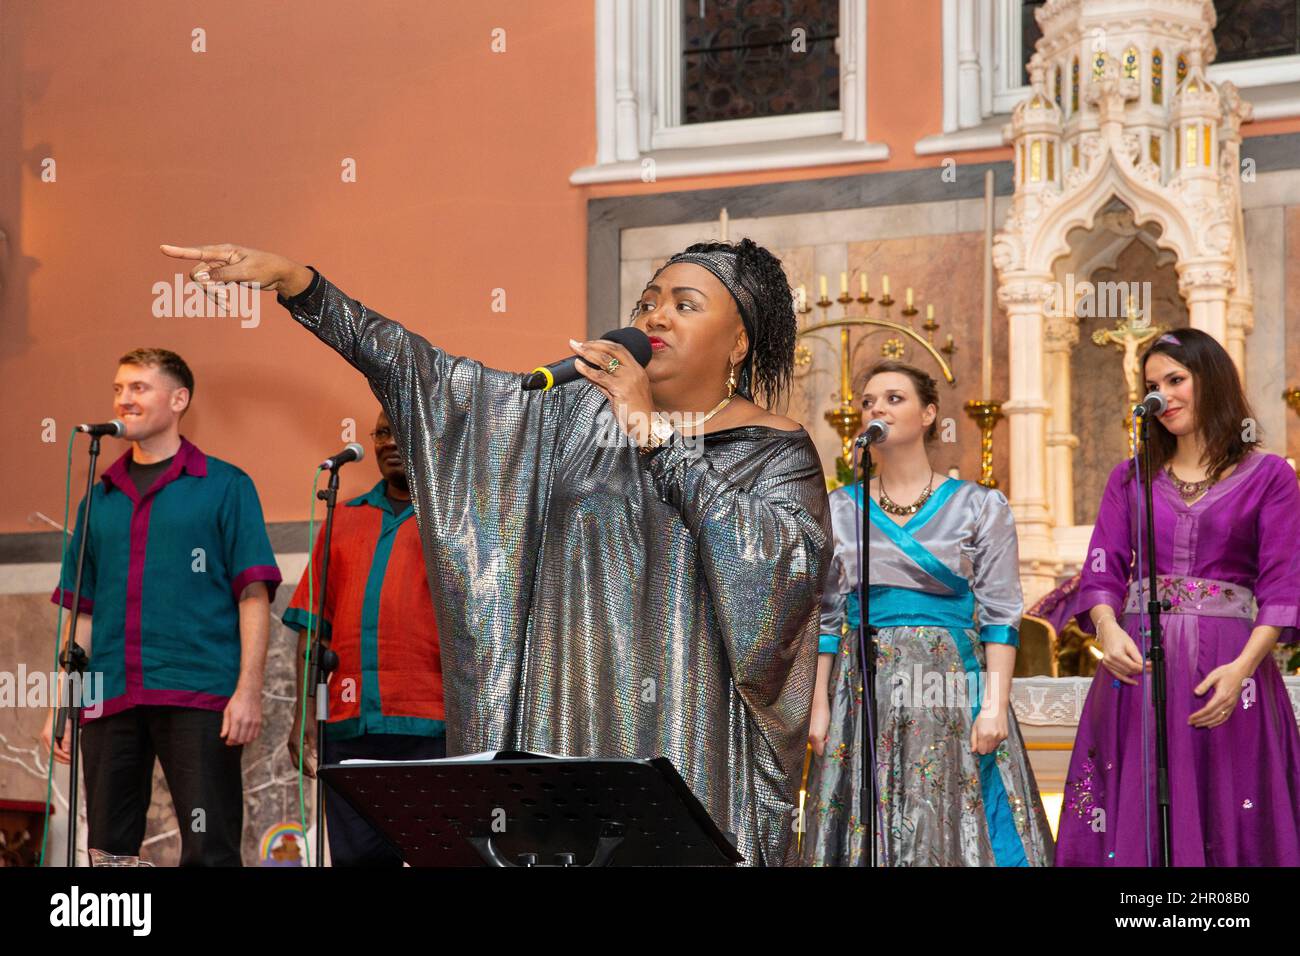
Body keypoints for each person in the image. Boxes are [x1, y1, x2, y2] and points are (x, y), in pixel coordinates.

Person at [160, 238, 832, 866]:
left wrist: (655, 437)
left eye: (685, 304)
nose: (656, 314)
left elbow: (779, 581)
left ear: (739, 339)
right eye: (648, 300)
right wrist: (302, 287)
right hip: (569, 724)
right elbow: (426, 378)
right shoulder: (566, 416)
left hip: (693, 741)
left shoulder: (776, 449)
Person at [1056, 329, 1300, 866]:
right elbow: (1103, 566)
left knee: (1231, 804)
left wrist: (1242, 670)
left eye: (1175, 380)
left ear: (1210, 379)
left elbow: (1284, 583)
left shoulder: (1271, 476)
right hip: (1136, 670)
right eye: (1152, 386)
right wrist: (1107, 627)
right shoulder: (1131, 477)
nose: (1162, 396)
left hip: (1230, 670)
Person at [802, 361, 1054, 866]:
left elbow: (1001, 613)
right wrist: (819, 704)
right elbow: (826, 616)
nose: (877, 408)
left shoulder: (980, 506)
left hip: (953, 686)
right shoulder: (838, 508)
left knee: (955, 816)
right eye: (869, 401)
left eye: (894, 399)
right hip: (863, 689)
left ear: (929, 415)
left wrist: (995, 705)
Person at [41, 348, 281, 866]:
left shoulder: (225, 486)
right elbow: (82, 612)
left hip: (198, 691)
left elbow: (253, 595)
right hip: (109, 693)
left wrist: (248, 691)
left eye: (138, 388)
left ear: (179, 400)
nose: (123, 399)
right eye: (118, 389)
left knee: (209, 845)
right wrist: (64, 702)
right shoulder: (99, 497)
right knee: (106, 848)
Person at [283, 409, 446, 866]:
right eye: (382, 433)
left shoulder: (454, 520)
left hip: (433, 727)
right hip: (350, 727)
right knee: (357, 862)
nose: (390, 442)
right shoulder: (344, 520)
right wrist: (303, 718)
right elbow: (312, 629)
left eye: (402, 429)